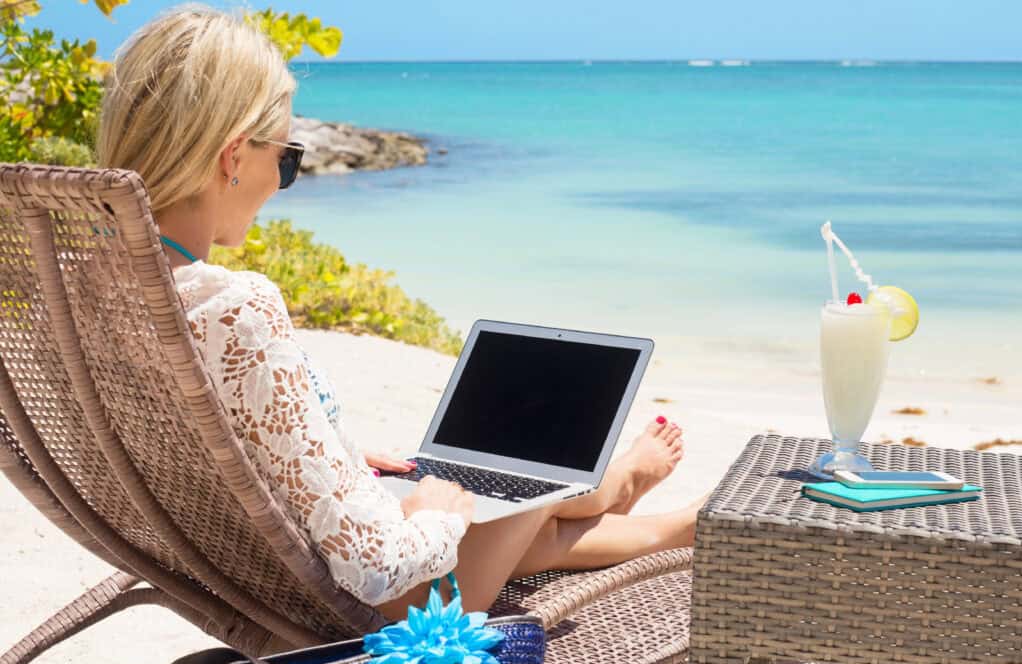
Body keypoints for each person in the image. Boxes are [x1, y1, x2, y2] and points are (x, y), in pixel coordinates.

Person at [97, 5, 702, 619]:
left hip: (242, 573)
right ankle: (615, 492)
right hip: (383, 604)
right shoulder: (232, 306)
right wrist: (433, 514)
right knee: (525, 486)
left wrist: (319, 461)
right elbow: (377, 565)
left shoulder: (93, 289)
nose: (282, 182)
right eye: (286, 159)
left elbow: (189, 448)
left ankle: (649, 516)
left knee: (506, 493)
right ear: (232, 158)